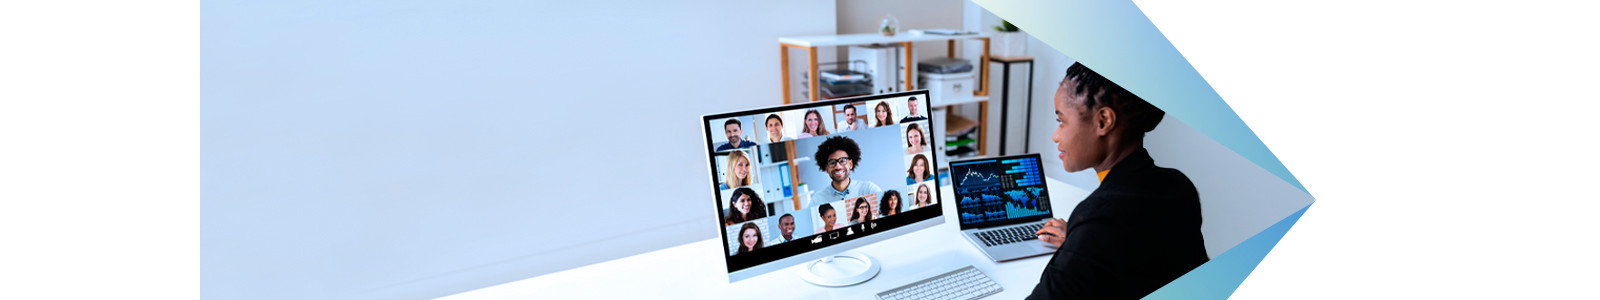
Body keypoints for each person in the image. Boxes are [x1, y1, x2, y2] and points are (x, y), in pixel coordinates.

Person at [1026, 62, 1208, 299]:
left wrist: (1082, 244)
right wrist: (1077, 243)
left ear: (1103, 121)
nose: (1055, 135)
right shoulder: (1179, 187)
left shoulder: (1099, 218)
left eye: (1062, 121)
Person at [811, 136, 883, 205]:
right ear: (827, 169)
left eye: (842, 161)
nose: (838, 166)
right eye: (832, 163)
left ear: (850, 164)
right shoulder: (817, 199)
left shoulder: (868, 189)